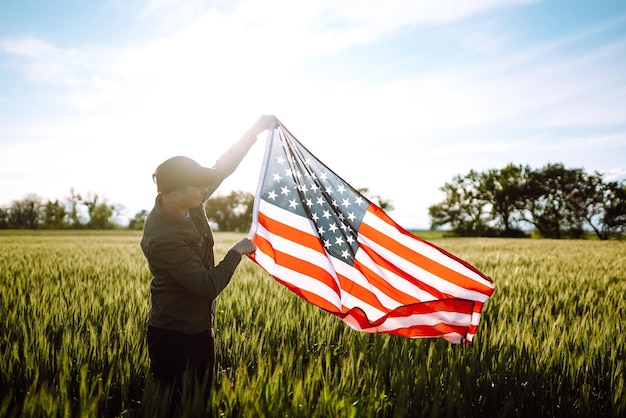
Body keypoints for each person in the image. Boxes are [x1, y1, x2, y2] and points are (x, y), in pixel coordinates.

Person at [140, 115, 277, 407]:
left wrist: (254, 130)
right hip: (173, 337)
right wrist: (235, 253)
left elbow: (222, 168)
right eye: (198, 187)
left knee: (200, 405)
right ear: (173, 195)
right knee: (175, 407)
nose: (205, 190)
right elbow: (206, 285)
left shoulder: (191, 198)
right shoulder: (163, 237)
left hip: (200, 329)